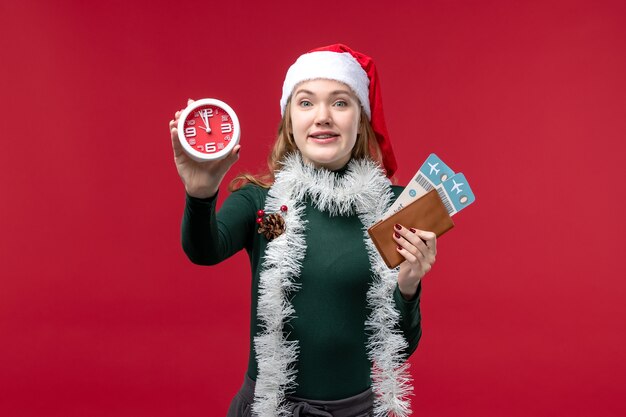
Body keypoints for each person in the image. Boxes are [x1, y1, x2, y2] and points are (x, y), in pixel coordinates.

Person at [169, 44, 437, 417]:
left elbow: (398, 347)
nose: (323, 116)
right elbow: (203, 250)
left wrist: (409, 286)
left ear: (360, 119)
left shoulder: (395, 206)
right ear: (289, 120)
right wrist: (200, 194)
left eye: (340, 103)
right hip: (266, 409)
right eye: (306, 102)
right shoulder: (260, 201)